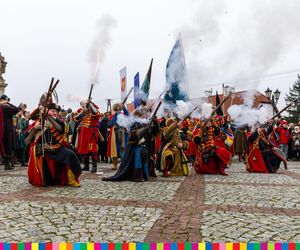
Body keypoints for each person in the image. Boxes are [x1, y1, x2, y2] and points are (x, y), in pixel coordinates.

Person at [27, 103, 81, 187]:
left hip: (57, 149)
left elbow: (59, 128)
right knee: (37, 152)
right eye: (52, 111)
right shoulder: (39, 121)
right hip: (44, 149)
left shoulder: (60, 122)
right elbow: (27, 140)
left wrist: (49, 117)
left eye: (56, 111)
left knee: (71, 154)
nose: (54, 113)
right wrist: (35, 128)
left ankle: (71, 180)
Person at [102, 106, 159, 182]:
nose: (146, 115)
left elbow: (153, 133)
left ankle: (145, 175)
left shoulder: (146, 122)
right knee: (139, 157)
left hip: (145, 145)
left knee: (145, 158)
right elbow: (134, 135)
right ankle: (137, 176)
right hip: (137, 146)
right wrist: (146, 128)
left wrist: (154, 123)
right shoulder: (135, 123)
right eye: (144, 113)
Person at [75, 100, 101, 173]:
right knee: (84, 150)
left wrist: (90, 104)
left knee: (93, 150)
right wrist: (83, 111)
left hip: (91, 134)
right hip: (83, 134)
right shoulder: (83, 113)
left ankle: (94, 166)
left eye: (85, 104)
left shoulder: (94, 112)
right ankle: (86, 166)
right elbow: (76, 118)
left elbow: (96, 113)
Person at [106, 103, 129, 170]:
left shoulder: (124, 115)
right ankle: (115, 164)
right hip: (115, 134)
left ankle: (123, 164)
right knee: (115, 150)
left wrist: (124, 108)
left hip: (123, 133)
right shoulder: (114, 116)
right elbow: (110, 124)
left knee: (123, 149)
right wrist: (116, 114)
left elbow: (128, 116)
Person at [0, 94, 20, 170]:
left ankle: (7, 163)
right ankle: (7, 164)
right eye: (7, 100)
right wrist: (8, 103)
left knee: (4, 147)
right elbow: (16, 109)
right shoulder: (6, 107)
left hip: (2, 129)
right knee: (8, 146)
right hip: (7, 129)